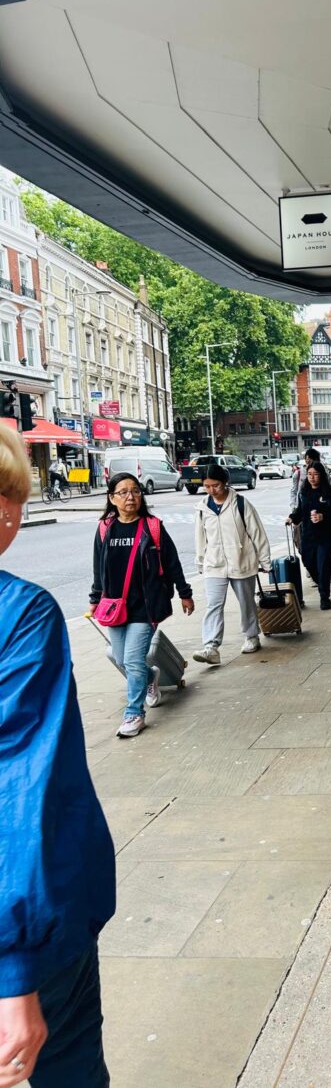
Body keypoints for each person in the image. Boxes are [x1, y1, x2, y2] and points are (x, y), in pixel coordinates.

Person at [0, 423, 116, 1088]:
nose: (13, 514)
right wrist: (13, 973)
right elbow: (17, 786)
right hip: (33, 934)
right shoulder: (20, 615)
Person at [90, 472, 194, 737]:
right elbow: (98, 568)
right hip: (115, 606)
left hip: (146, 606)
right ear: (111, 498)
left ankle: (134, 713)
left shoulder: (153, 527)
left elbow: (172, 563)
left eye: (135, 491)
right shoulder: (105, 528)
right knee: (119, 657)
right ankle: (151, 678)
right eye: (123, 492)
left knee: (133, 660)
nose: (130, 497)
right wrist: (95, 598)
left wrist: (185, 592)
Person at [193, 463, 271, 665]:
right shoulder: (202, 508)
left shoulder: (241, 504)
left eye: (216, 485)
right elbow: (200, 538)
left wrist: (265, 561)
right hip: (214, 564)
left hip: (241, 561)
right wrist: (201, 561)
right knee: (213, 604)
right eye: (207, 486)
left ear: (225, 483)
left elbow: (257, 533)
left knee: (246, 602)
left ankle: (251, 635)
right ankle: (211, 646)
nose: (212, 490)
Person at [287, 461, 331, 611]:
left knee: (323, 565)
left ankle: (324, 597)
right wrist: (292, 518)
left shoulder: (330, 493)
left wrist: (323, 516)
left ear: (322, 476)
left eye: (316, 474)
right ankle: (322, 583)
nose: (312, 477)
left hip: (327, 536)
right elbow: (301, 511)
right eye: (310, 474)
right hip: (308, 536)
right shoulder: (304, 492)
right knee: (308, 562)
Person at [290, 447, 320, 511]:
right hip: (301, 509)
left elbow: (329, 488)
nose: (308, 461)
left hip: (318, 508)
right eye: (306, 459)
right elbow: (294, 491)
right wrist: (293, 506)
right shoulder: (298, 473)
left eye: (310, 459)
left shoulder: (323, 472)